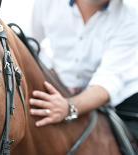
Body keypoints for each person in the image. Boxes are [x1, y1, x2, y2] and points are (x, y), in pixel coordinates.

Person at [29, 0, 138, 140]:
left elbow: (110, 80)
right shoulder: (47, 3)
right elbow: (32, 45)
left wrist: (69, 108)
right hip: (61, 87)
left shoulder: (131, 17)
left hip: (122, 101)